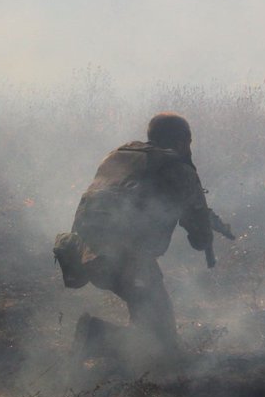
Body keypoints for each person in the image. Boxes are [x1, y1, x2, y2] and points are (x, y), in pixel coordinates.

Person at [55, 113, 217, 363]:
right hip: (127, 262)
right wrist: (205, 227)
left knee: (150, 325)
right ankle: (95, 335)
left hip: (82, 252)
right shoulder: (179, 170)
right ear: (183, 140)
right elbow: (200, 239)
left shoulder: (119, 155)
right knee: (164, 349)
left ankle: (115, 361)